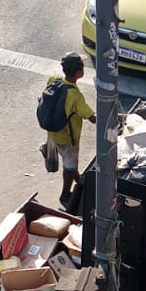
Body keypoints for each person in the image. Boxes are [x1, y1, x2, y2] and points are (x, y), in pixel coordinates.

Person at [44, 52, 96, 206]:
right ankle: (65, 194)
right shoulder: (75, 96)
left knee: (70, 161)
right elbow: (92, 118)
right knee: (69, 164)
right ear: (79, 72)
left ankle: (78, 178)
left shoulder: (54, 78)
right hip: (68, 138)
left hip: (52, 132)